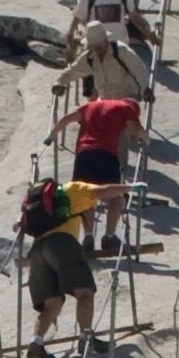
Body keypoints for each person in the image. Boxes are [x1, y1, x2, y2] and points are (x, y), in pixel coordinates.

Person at [20, 175, 101, 358]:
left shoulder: (35, 206)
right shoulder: (70, 190)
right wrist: (128, 188)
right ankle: (85, 339)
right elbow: (101, 191)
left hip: (38, 250)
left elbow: (18, 225)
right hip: (62, 244)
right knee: (85, 293)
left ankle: (36, 343)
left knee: (52, 303)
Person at [70, 86, 142, 246]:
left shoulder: (100, 108)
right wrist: (145, 140)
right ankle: (109, 236)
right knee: (116, 196)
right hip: (106, 155)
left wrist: (53, 134)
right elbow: (137, 131)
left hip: (84, 153)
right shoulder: (125, 111)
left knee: (86, 195)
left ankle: (88, 236)